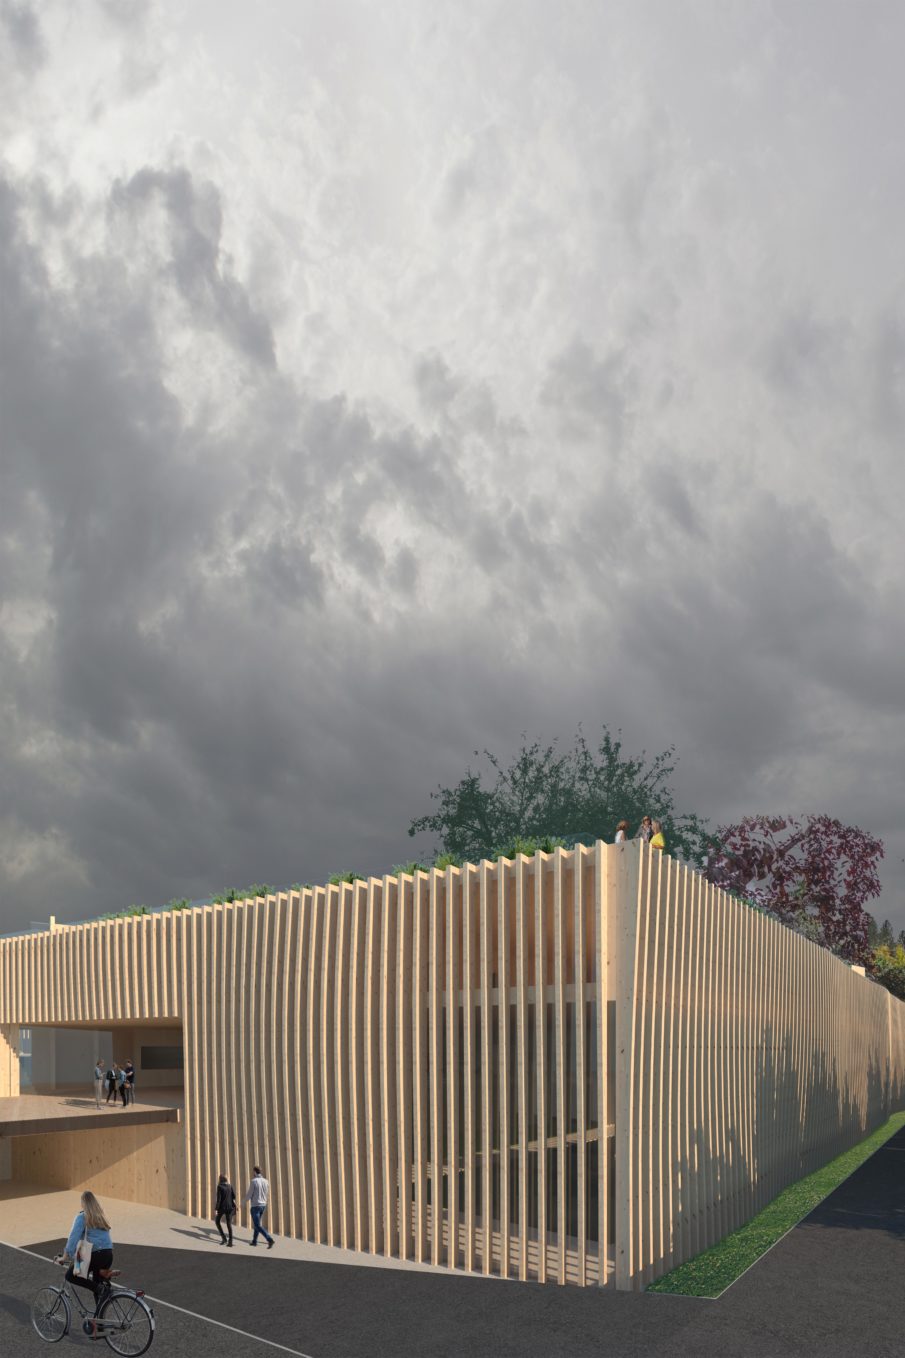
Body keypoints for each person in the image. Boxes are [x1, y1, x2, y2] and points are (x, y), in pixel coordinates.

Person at [54, 1190, 114, 1320]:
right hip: (108, 1254)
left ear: (83, 1203)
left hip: (94, 1254)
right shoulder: (101, 1216)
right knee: (98, 1288)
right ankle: (99, 1323)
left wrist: (64, 1257)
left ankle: (100, 1289)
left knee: (70, 1275)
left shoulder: (82, 1217)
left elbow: (73, 1238)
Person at [244, 1166, 275, 1248]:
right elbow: (267, 1193)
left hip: (255, 1206)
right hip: (263, 1205)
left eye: (252, 1172)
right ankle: (254, 1241)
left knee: (257, 1225)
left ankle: (269, 1239)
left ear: (254, 1172)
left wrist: (242, 1203)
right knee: (257, 1224)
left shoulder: (254, 1181)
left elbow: (249, 1194)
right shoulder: (266, 1181)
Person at [215, 1172, 237, 1246]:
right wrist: (235, 1205)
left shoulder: (219, 1186)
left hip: (222, 1208)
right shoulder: (230, 1186)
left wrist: (216, 1209)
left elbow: (219, 1199)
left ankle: (224, 1238)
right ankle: (230, 1242)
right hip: (230, 1207)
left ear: (220, 1179)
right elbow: (234, 1197)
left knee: (217, 1221)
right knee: (229, 1225)